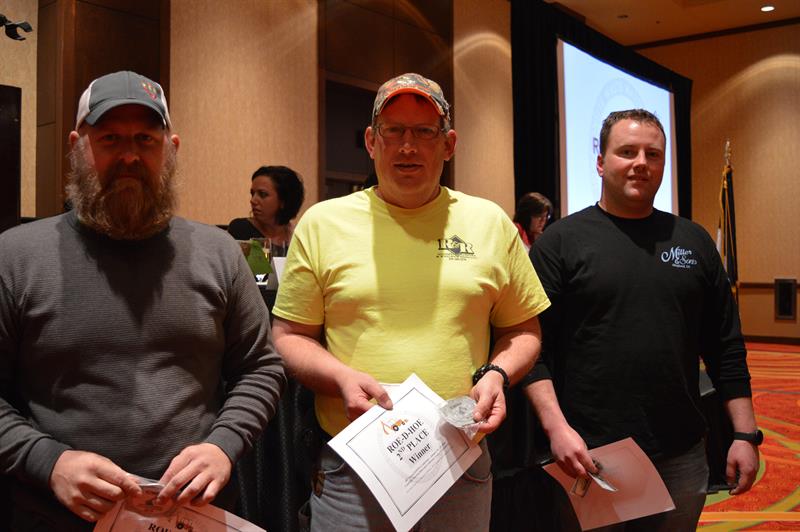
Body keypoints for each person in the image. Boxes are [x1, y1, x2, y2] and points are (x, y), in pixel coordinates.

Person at [0, 71, 286, 529]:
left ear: (171, 149)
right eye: (110, 139)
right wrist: (47, 460)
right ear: (77, 146)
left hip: (193, 516)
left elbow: (260, 368)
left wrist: (222, 445)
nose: (129, 156)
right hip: (52, 516)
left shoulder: (219, 254)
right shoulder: (15, 257)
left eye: (145, 140)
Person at [271, 73, 550, 531]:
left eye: (424, 132)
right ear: (371, 141)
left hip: (459, 458)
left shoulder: (490, 223)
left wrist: (497, 375)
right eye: (393, 130)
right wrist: (340, 377)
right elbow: (288, 337)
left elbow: (523, 329)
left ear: (449, 144)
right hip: (354, 464)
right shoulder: (322, 224)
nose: (407, 146)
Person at [524, 109, 760, 531]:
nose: (641, 163)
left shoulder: (693, 241)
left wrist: (744, 435)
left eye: (653, 154)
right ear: (601, 162)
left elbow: (725, 346)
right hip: (590, 452)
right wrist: (557, 429)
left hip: (682, 451)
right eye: (627, 152)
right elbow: (532, 350)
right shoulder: (560, 244)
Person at [227, 165, 305, 256]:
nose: (253, 200)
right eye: (253, 194)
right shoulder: (241, 229)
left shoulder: (298, 237)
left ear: (283, 201)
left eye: (262, 194)